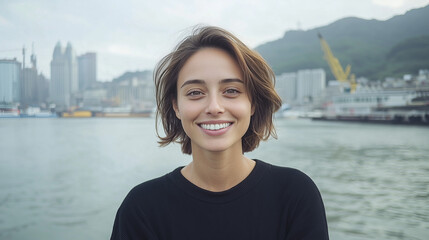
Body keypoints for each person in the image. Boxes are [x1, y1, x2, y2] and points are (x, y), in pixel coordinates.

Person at [110, 26, 329, 240]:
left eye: (231, 91)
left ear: (252, 103)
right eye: (195, 92)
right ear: (176, 106)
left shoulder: (294, 195)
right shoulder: (142, 209)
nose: (214, 107)